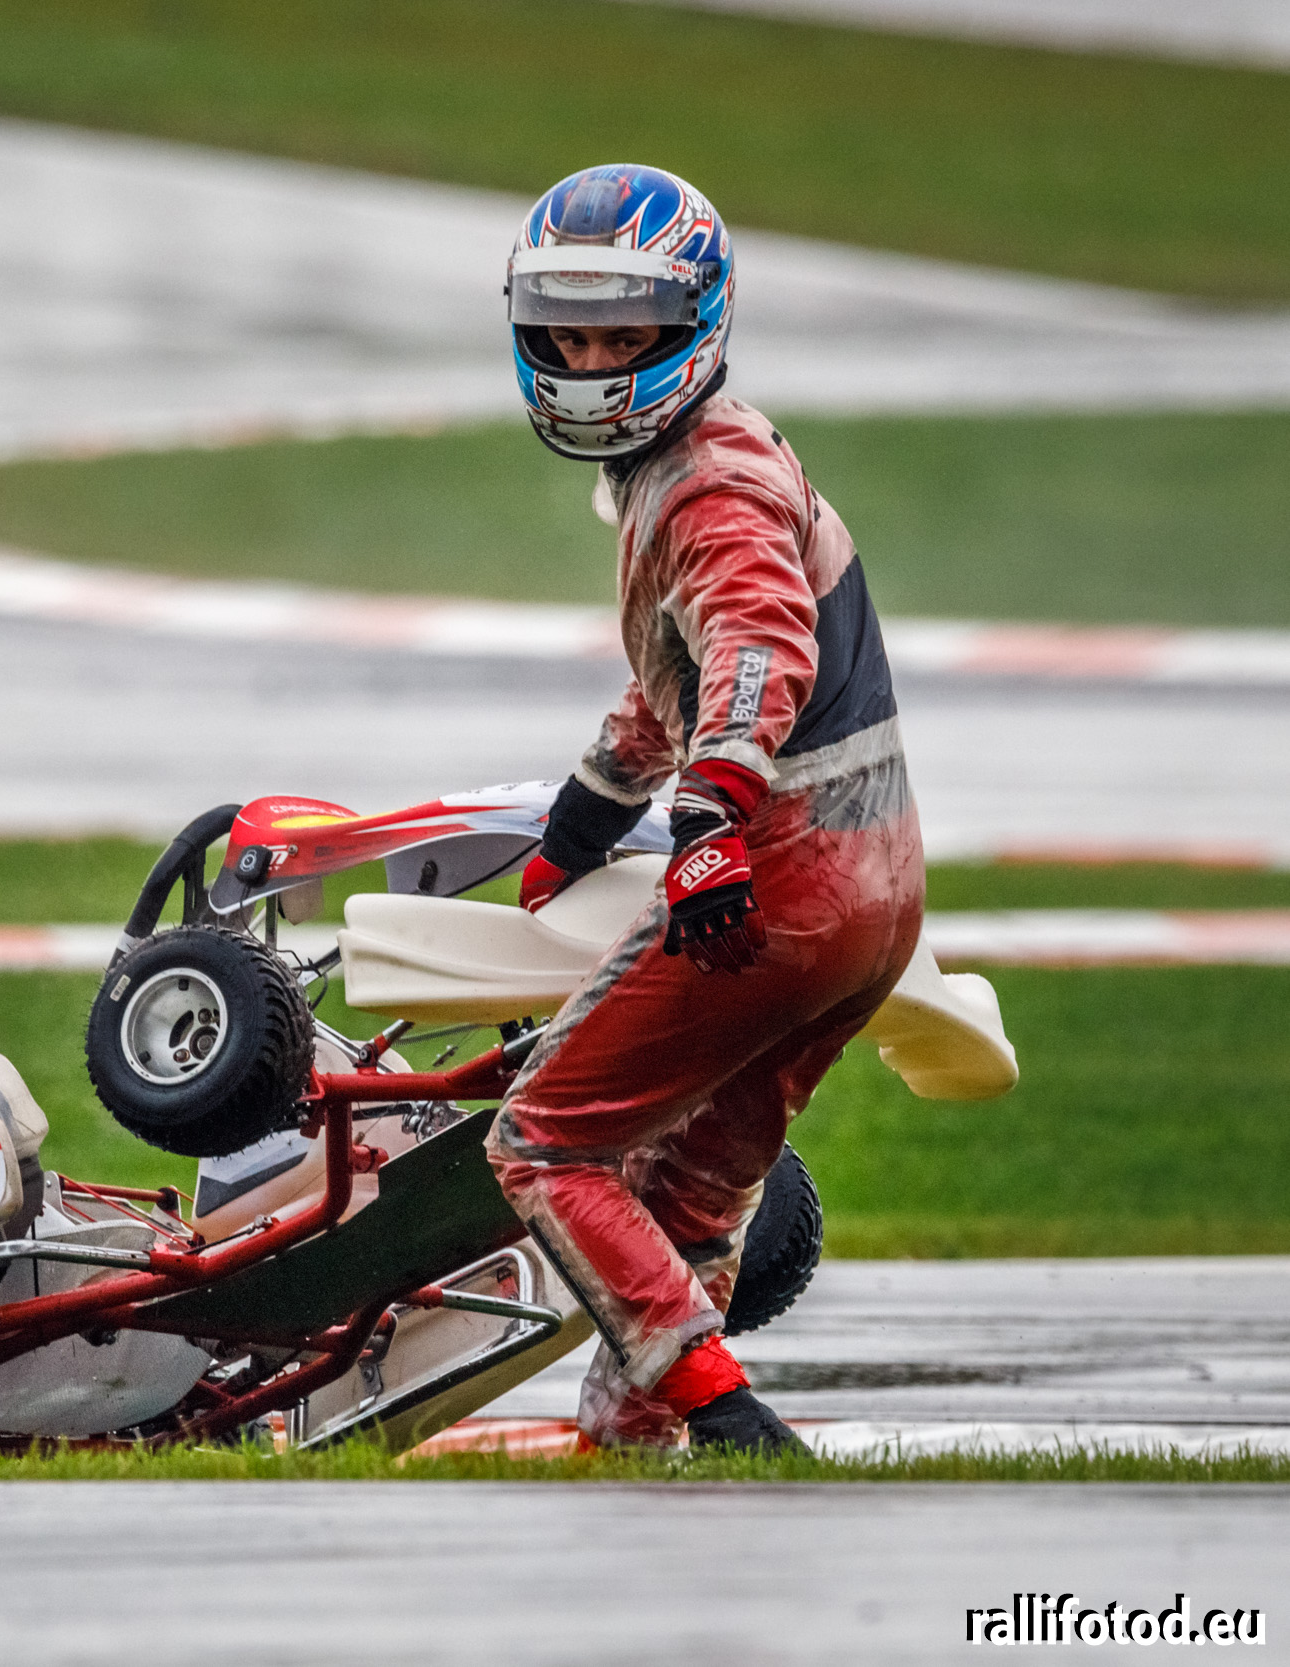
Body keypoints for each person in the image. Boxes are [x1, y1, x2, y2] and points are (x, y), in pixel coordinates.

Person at [483, 164, 923, 1453]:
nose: (591, 364)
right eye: (569, 335)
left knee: (540, 1146)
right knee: (694, 1190)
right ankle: (640, 1445)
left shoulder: (707, 483)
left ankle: (729, 1419)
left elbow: (754, 649)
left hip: (784, 874)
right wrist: (584, 817)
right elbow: (672, 680)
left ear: (693, 323)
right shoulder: (714, 449)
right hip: (878, 884)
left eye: (624, 337)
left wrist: (708, 817)